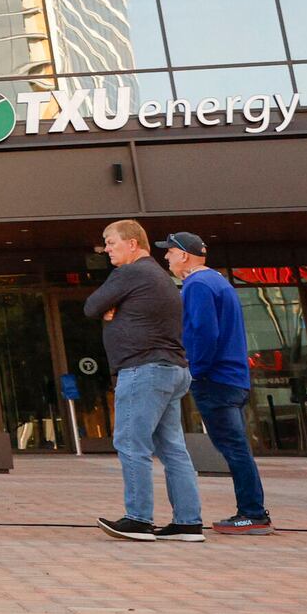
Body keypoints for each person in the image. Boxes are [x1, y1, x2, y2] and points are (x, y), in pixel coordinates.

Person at [86, 217, 202, 542]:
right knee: (172, 448)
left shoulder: (131, 272)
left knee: (131, 443)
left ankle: (138, 519)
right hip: (171, 370)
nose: (106, 248)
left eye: (111, 242)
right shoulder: (158, 276)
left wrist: (111, 308)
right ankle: (188, 523)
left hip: (143, 370)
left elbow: (92, 306)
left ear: (132, 244)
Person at [159, 232, 267, 535]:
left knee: (234, 449)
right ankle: (253, 511)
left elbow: (203, 333)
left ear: (183, 255)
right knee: (237, 448)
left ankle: (252, 513)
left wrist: (195, 369)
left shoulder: (197, 285)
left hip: (215, 379)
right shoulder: (219, 282)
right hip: (232, 378)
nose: (166, 257)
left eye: (169, 252)